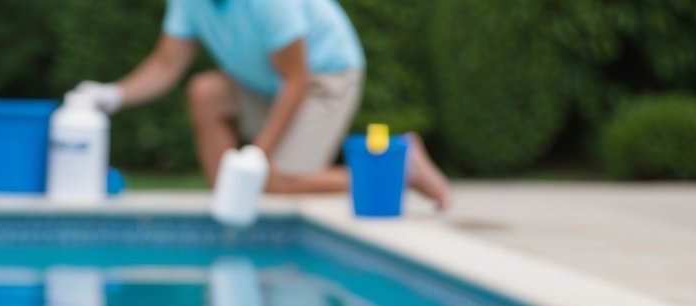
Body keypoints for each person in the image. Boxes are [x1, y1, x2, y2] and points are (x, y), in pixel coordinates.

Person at [74, 0, 450, 208]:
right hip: (267, 82)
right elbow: (167, 62)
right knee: (205, 92)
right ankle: (227, 205)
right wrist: (113, 94)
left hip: (324, 77)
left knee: (274, 183)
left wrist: (257, 155)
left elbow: (297, 77)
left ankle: (399, 165)